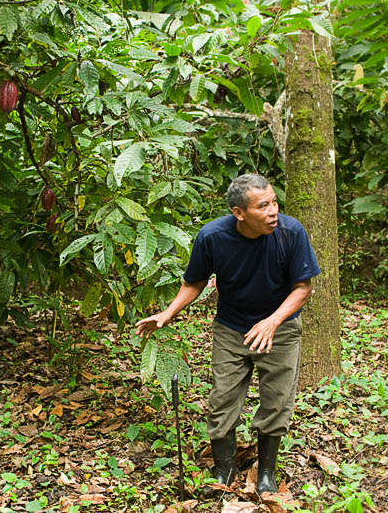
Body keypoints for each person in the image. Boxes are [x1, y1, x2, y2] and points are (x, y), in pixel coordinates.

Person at [135, 173, 320, 497]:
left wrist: (272, 322)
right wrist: (167, 313)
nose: (273, 211)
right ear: (239, 212)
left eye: (274, 202)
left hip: (280, 329)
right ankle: (224, 471)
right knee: (222, 398)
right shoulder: (212, 237)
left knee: (277, 401)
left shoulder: (291, 233)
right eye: (263, 206)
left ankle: (265, 474)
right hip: (231, 328)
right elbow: (194, 281)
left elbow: (303, 287)